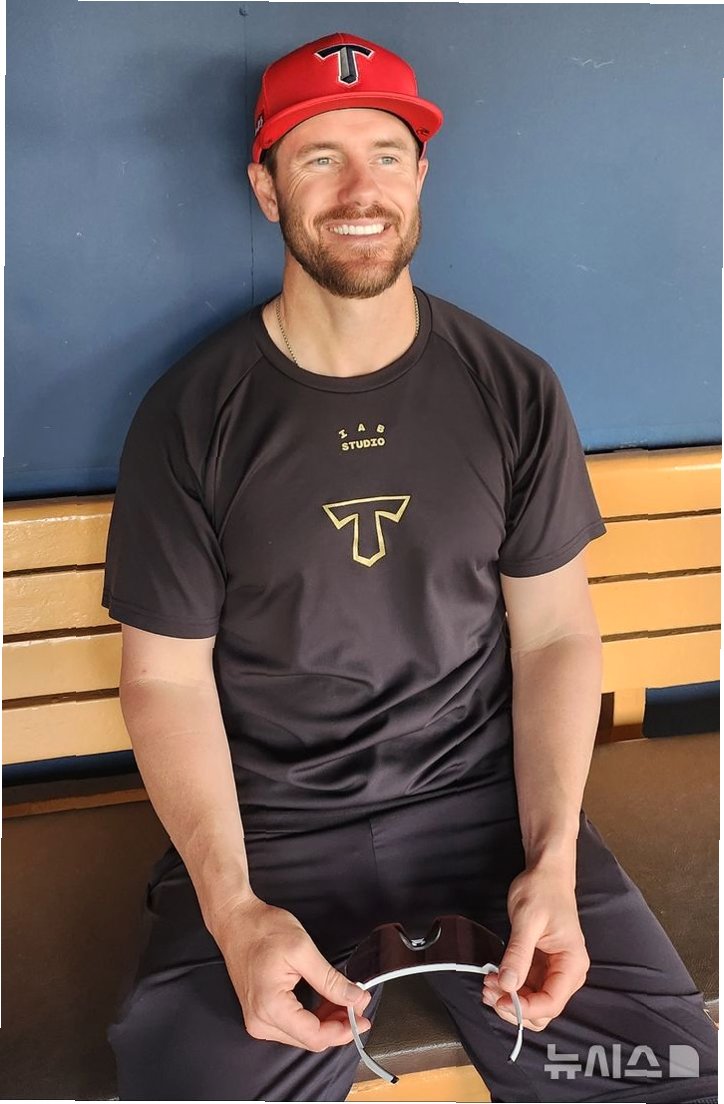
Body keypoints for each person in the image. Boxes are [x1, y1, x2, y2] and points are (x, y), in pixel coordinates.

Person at [101, 31, 718, 1103]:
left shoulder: (511, 386)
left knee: (662, 1077)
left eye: (385, 154)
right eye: (318, 157)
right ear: (266, 187)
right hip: (274, 831)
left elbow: (555, 636)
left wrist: (552, 862)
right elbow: (162, 678)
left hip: (486, 816)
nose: (360, 190)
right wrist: (232, 908)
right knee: (194, 1086)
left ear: (421, 174)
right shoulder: (193, 413)